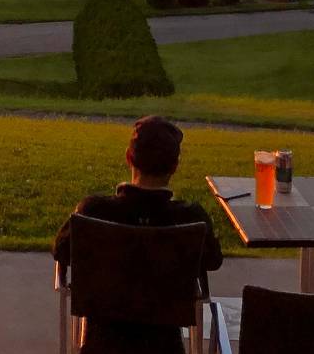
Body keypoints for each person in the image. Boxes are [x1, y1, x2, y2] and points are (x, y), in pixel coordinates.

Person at [52, 114, 223, 277]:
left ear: (128, 157)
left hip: (105, 308)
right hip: (166, 308)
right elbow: (213, 261)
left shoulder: (93, 212)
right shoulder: (192, 219)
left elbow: (61, 251)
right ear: (175, 166)